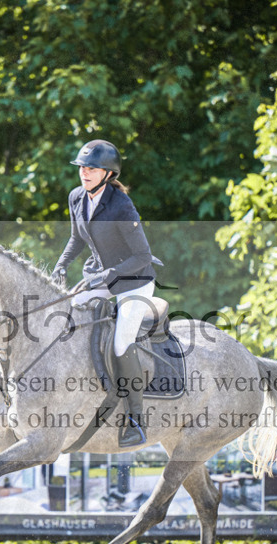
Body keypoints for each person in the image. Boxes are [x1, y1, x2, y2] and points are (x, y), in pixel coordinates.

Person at [51, 139, 160, 448]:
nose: (84, 173)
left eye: (91, 169)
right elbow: (76, 238)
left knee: (122, 341)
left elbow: (142, 256)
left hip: (134, 282)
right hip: (100, 276)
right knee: (68, 314)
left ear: (107, 173)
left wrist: (107, 275)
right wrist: (61, 265)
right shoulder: (76, 197)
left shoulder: (122, 206)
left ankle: (135, 419)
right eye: (82, 167)